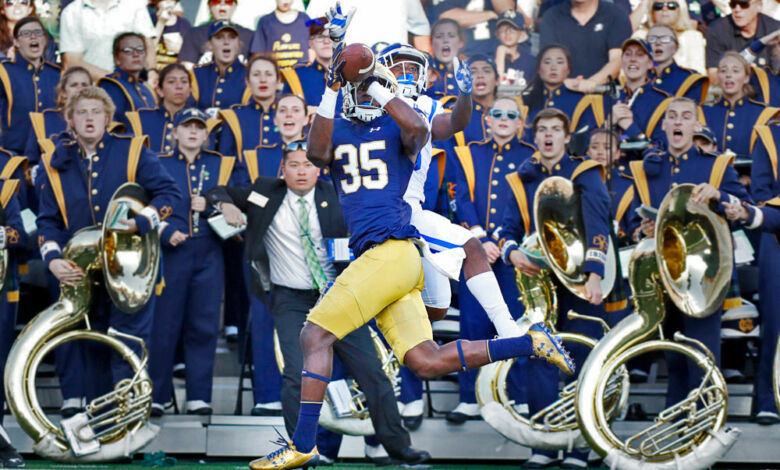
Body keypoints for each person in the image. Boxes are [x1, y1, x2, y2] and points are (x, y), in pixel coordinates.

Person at [244, 8, 573, 468]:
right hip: (394, 257)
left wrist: (378, 84)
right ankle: (526, 343)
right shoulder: (339, 129)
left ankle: (302, 444)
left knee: (314, 335)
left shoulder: (399, 126)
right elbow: (315, 152)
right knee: (425, 360)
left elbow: (419, 128)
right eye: (365, 87)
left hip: (392, 249)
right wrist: (335, 82)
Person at [206, 142, 430, 466]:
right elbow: (216, 191)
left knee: (372, 372)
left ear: (319, 169)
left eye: (307, 165)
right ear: (282, 170)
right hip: (291, 299)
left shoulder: (337, 194)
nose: (301, 171)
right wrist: (225, 204)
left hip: (339, 295)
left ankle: (399, 447)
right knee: (295, 374)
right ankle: (302, 449)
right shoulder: (264, 191)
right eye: (294, 165)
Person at [36, 85, 179, 401]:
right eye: (82, 113)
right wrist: (53, 260)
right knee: (93, 346)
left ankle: (128, 418)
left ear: (107, 118)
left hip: (131, 267)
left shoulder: (133, 150)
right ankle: (100, 419)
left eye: (96, 112)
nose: (89, 118)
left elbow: (170, 194)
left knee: (128, 343)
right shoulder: (55, 162)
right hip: (84, 272)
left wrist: (142, 222)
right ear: (70, 120)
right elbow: (47, 221)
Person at [501, 107, 609, 469]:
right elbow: (507, 228)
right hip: (539, 279)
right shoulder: (522, 177)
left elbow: (599, 225)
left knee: (581, 359)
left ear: (566, 137)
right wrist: (512, 252)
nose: (548, 135)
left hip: (581, 281)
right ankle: (544, 444)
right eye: (542, 130)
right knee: (540, 356)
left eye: (555, 130)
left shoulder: (585, 172)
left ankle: (581, 446)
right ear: (535, 137)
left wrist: (594, 274)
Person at [627, 97, 753, 407]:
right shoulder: (648, 169)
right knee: (675, 359)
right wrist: (640, 230)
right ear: (664, 125)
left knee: (703, 355)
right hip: (664, 272)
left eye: (686, 116)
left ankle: (707, 424)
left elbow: (745, 207)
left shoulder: (716, 165)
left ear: (696, 125)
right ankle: (677, 426)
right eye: (672, 116)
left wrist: (719, 195)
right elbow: (631, 221)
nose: (678, 121)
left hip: (705, 274)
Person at [448, 96, 536, 423]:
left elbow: (530, 205)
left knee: (517, 323)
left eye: (510, 115)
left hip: (515, 256)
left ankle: (520, 397)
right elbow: (458, 197)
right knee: (473, 325)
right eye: (497, 113)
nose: (503, 119)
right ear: (487, 119)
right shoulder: (468, 153)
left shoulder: (531, 156)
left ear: (519, 123)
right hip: (475, 253)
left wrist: (500, 241)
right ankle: (469, 398)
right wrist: (480, 238)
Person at [149, 108, 233, 416]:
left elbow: (234, 199)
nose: (193, 132)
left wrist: (210, 206)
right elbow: (142, 203)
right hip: (171, 252)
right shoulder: (158, 162)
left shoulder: (219, 163)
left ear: (206, 134)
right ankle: (157, 395)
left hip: (209, 250)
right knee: (164, 326)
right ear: (175, 133)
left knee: (204, 325)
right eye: (187, 127)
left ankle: (199, 396)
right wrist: (163, 231)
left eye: (199, 127)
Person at [539, 0, 632, 93]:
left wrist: (591, 83)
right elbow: (547, 62)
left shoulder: (616, 15)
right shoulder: (551, 17)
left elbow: (618, 59)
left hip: (604, 95)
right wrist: (565, 84)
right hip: (561, 94)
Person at [701, 52, 779, 161]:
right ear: (718, 77)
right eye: (723, 71)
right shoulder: (703, 112)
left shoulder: (763, 113)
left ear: (746, 78)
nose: (728, 75)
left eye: (735, 71)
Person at [0, 16, 60, 156]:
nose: (33, 36)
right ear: (16, 42)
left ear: (45, 40)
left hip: (49, 156)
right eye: (26, 33)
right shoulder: (3, 71)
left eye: (38, 32)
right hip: (12, 154)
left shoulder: (57, 75)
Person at [521, 45, 602, 143]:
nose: (553, 67)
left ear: (568, 69)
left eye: (560, 62)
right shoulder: (523, 102)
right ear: (539, 69)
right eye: (547, 62)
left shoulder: (582, 101)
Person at [60, 0, 157, 79]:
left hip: (134, 88)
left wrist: (151, 73)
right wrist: (116, 82)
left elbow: (148, 46)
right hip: (93, 90)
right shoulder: (72, 12)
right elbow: (73, 62)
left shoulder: (134, 5)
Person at [217, 55, 282, 160]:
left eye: (268, 74)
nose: (263, 80)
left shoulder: (291, 114)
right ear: (247, 82)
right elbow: (226, 162)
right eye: (256, 74)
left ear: (278, 81)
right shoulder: (234, 117)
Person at [608, 38, 672, 145]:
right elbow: (589, 147)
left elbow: (663, 148)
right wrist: (608, 124)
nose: (632, 59)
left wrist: (631, 128)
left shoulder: (663, 102)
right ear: (622, 62)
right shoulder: (607, 99)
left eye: (640, 55)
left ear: (650, 63)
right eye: (628, 54)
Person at [26, 66, 92, 166]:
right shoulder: (43, 120)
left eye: (84, 85)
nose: (79, 89)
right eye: (74, 85)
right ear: (63, 92)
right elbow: (30, 162)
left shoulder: (101, 121)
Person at [706, 0, 779, 84]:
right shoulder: (717, 30)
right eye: (733, 4)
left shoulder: (775, 31)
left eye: (744, 4)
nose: (737, 9)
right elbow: (714, 78)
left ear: (759, 6)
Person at [127, 63, 194, 154]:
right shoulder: (140, 119)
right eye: (171, 81)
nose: (179, 86)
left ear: (190, 90)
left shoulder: (202, 121)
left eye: (184, 82)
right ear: (159, 90)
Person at [97, 32, 158, 127]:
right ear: (116, 58)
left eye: (140, 50)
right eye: (128, 51)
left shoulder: (146, 88)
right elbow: (111, 126)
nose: (135, 54)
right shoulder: (111, 85)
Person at [631, 0, 705, 73]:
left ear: (680, 10)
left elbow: (698, 71)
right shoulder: (640, 36)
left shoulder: (692, 37)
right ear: (652, 12)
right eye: (658, 6)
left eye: (671, 5)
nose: (664, 9)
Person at [191, 20, 247, 115]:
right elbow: (189, 108)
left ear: (238, 43)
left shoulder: (249, 74)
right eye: (219, 38)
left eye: (232, 37)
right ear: (209, 44)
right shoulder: (197, 74)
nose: (226, 42)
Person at [423, 0, 512, 57]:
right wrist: (491, 14)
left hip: (498, 55)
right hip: (462, 57)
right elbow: (446, 18)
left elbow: (508, 12)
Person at [645, 24, 709, 103]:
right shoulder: (639, 76)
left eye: (665, 39)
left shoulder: (690, 78)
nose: (658, 43)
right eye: (652, 39)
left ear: (676, 47)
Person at [279, 16, 332, 112]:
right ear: (310, 43)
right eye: (320, 37)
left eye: (331, 36)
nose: (326, 41)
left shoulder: (351, 76)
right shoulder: (296, 76)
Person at [178, 0, 253, 67]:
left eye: (228, 1)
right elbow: (187, 66)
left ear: (235, 6)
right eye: (216, 1)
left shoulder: (249, 36)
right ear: (209, 5)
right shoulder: (194, 34)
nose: (222, 4)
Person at [250, 0, 311, 68]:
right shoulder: (265, 22)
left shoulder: (304, 19)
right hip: (276, 72)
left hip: (302, 72)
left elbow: (312, 48)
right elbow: (258, 52)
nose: (285, 1)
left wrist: (309, 67)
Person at [425, 18, 466, 100]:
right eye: (439, 36)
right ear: (431, 43)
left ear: (461, 42)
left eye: (451, 36)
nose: (445, 40)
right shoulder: (424, 71)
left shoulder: (469, 70)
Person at [494, 10, 535, 87]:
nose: (508, 32)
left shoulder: (531, 62)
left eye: (513, 28)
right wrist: (501, 51)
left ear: (522, 34)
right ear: (497, 34)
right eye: (503, 28)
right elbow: (496, 85)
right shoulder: (490, 59)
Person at [151, 0, 193, 69]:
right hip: (153, 69)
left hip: (175, 70)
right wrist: (161, 23)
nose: (168, 2)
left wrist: (180, 49)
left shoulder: (184, 24)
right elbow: (146, 53)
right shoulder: (149, 21)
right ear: (156, 2)